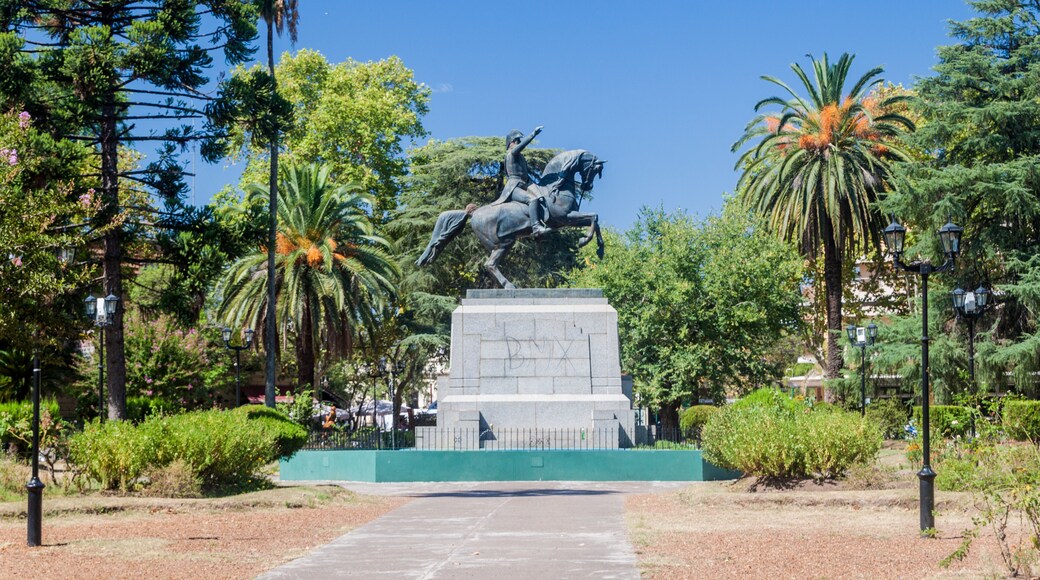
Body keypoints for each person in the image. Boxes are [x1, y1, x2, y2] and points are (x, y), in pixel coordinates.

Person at [492, 125, 551, 237]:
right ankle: (536, 227)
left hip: (525, 184)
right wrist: (533, 134)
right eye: (517, 140)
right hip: (514, 187)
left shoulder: (519, 156)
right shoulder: (512, 153)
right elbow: (522, 147)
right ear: (511, 142)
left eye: (519, 140)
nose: (519, 142)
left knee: (542, 197)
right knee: (532, 199)